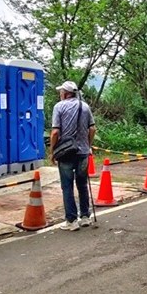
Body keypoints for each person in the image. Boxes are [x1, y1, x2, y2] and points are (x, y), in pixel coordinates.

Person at [49, 80, 97, 231]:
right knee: (82, 184)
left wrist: (52, 151)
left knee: (67, 186)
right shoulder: (85, 106)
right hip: (83, 152)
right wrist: (88, 145)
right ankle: (85, 217)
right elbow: (92, 129)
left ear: (65, 93)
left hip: (66, 153)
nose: (60, 94)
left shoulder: (59, 107)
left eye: (61, 92)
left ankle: (71, 221)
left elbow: (55, 132)